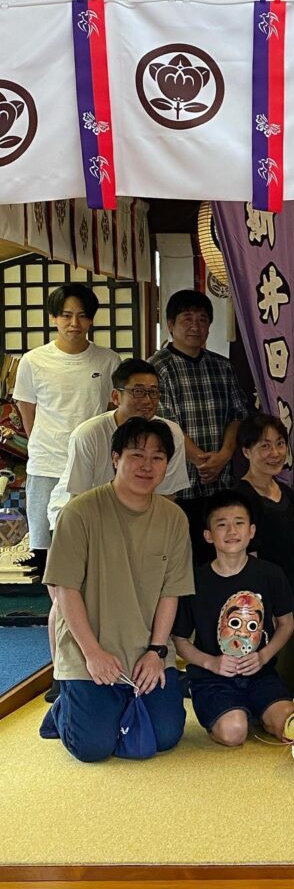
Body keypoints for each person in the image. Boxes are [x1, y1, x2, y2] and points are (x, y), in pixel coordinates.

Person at [39, 418, 193, 762]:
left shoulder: (174, 518)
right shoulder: (78, 513)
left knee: (166, 736)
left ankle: (113, 700)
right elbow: (64, 590)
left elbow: (171, 593)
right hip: (88, 650)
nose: (147, 465)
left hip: (146, 650)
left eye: (157, 457)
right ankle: (66, 705)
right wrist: (93, 653)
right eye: (137, 455)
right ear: (115, 458)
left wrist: (157, 651)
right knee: (93, 748)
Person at [13, 283, 119, 693]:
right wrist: (56, 452)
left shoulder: (108, 361)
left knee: (96, 572)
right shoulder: (33, 362)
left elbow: (113, 415)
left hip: (94, 475)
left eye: (83, 315)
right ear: (54, 318)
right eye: (67, 315)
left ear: (92, 319)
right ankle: (62, 670)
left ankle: (96, 659)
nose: (75, 323)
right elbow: (28, 418)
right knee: (56, 576)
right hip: (47, 470)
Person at [172, 490, 294, 747]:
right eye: (221, 524)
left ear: (251, 531)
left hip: (260, 674)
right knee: (234, 732)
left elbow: (286, 624)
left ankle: (255, 710)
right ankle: (232, 713)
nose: (231, 531)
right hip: (212, 679)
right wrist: (211, 663)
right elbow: (180, 639)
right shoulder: (194, 580)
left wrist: (264, 656)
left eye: (239, 523)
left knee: (287, 724)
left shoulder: (271, 574)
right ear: (208, 535)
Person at [149, 289, 248, 561]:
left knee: (219, 555)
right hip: (179, 486)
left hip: (221, 482)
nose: (195, 326)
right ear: (170, 324)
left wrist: (225, 454)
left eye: (203, 319)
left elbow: (237, 415)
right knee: (182, 558)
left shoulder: (222, 366)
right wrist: (202, 462)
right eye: (187, 319)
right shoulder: (157, 368)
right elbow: (166, 422)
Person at [47, 358, 191, 533]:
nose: (147, 401)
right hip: (81, 515)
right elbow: (78, 499)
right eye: (138, 391)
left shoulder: (172, 434)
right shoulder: (88, 434)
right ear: (116, 397)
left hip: (137, 516)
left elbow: (167, 495)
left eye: (153, 392)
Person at [234, 414, 294, 694]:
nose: (274, 453)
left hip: (292, 592)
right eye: (264, 446)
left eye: (279, 444)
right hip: (260, 599)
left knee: (286, 675)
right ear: (246, 451)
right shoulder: (241, 496)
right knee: (261, 673)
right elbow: (242, 556)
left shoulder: (286, 491)